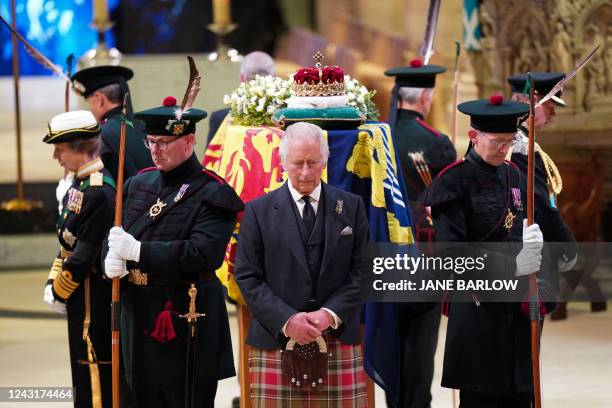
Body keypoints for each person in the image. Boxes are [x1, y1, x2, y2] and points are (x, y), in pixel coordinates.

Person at [103, 95, 244, 408]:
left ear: (189, 140)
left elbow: (202, 253)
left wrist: (139, 251)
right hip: (137, 319)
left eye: (165, 141)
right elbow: (114, 234)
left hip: (184, 321)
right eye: (151, 141)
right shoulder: (139, 184)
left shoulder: (213, 192)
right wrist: (109, 259)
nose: (155, 150)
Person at [421, 95, 557, 407]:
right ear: (473, 136)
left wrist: (542, 278)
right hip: (479, 317)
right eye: (496, 141)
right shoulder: (452, 183)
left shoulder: (514, 175)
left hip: (520, 316)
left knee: (523, 396)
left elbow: (530, 237)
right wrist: (512, 267)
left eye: (509, 141)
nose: (503, 149)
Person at [234, 122, 370, 406]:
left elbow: (363, 271)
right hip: (275, 339)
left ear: (326, 160)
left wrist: (328, 315)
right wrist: (287, 320)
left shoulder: (352, 206)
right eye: (297, 163)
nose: (306, 172)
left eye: (313, 162)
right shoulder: (257, 212)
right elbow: (247, 277)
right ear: (282, 161)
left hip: (337, 337)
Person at [384, 57, 456, 407]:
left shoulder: (378, 137)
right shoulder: (437, 142)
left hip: (383, 248)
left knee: (390, 337)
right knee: (421, 341)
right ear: (426, 98)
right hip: (424, 251)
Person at [42, 110, 115, 407]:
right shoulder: (79, 185)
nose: (56, 157)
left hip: (92, 302)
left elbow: (83, 256)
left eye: (60, 149)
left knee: (93, 375)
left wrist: (59, 290)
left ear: (79, 148)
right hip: (79, 298)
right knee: (81, 375)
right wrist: (53, 281)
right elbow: (67, 245)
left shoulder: (97, 191)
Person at [508, 72, 579, 318]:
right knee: (524, 344)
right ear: (533, 101)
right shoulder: (520, 146)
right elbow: (537, 203)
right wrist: (567, 246)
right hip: (523, 253)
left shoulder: (506, 137)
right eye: (551, 105)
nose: (554, 114)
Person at [71, 65, 153, 181]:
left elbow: (96, 187)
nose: (90, 109)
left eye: (89, 103)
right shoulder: (147, 126)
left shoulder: (100, 135)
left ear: (100, 99)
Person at [207, 51, 276, 143]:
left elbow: (211, 156)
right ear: (275, 77)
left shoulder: (220, 119)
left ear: (242, 78)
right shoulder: (285, 118)